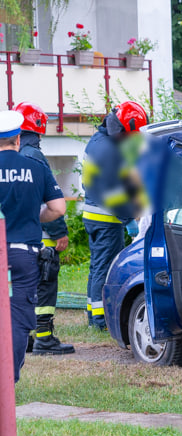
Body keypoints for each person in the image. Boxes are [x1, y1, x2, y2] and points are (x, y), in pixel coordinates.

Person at [0, 110, 66, 382]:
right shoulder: (35, 167)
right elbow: (58, 208)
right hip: (23, 255)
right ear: (18, 139)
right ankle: (8, 381)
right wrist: (33, 216)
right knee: (18, 319)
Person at [14, 102, 74, 355]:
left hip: (18, 235)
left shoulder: (12, 152)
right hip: (43, 234)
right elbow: (49, 199)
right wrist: (59, 231)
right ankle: (45, 338)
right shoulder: (35, 156)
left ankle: (24, 336)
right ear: (37, 126)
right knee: (45, 283)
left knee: (21, 287)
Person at [82, 101, 147, 330]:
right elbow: (113, 193)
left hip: (92, 214)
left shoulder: (97, 141)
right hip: (106, 218)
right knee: (105, 268)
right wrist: (129, 218)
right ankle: (100, 321)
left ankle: (93, 315)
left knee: (96, 268)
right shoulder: (109, 149)